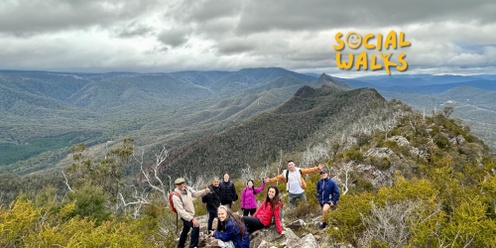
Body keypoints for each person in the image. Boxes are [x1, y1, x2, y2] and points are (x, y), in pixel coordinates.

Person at [171, 177, 210, 248]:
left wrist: (204, 191)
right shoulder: (175, 196)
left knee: (186, 229)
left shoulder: (187, 189)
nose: (182, 185)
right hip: (184, 216)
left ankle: (180, 245)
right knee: (196, 225)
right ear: (176, 185)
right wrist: (192, 219)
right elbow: (181, 211)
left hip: (190, 214)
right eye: (179, 184)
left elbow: (194, 194)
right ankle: (193, 246)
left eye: (182, 183)